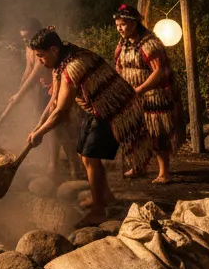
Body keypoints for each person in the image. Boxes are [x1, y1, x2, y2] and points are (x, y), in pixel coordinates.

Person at [26, 28, 152, 225]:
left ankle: (99, 210)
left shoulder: (72, 67)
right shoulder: (64, 58)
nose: (40, 62)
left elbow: (60, 111)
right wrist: (37, 127)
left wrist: (40, 133)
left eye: (41, 56)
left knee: (90, 157)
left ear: (53, 50)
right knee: (83, 154)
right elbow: (53, 101)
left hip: (115, 109)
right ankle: (105, 195)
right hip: (97, 109)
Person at [0, 17, 80, 177]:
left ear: (38, 33)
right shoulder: (30, 47)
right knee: (49, 130)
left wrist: (20, 95)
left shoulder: (44, 47)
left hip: (59, 88)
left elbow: (35, 74)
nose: (27, 41)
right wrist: (18, 91)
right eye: (24, 38)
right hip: (44, 90)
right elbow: (29, 69)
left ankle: (74, 165)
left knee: (62, 128)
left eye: (28, 37)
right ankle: (53, 165)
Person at [113, 3, 184, 184]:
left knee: (156, 133)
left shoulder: (150, 44)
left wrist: (140, 90)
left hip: (155, 95)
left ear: (134, 23)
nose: (119, 28)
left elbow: (159, 71)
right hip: (133, 96)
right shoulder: (122, 45)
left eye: (123, 24)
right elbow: (119, 68)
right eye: (117, 25)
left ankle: (164, 172)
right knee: (135, 133)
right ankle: (139, 166)